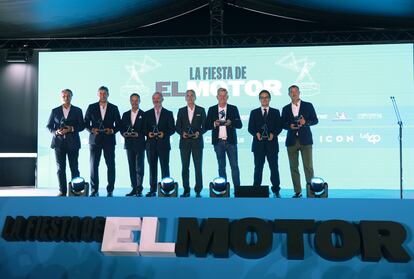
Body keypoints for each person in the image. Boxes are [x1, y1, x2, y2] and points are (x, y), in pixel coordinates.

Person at [281, 85, 318, 198]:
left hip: (305, 140)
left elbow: (315, 120)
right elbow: (282, 124)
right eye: (291, 92)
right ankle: (297, 192)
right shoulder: (286, 108)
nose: (294, 94)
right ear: (288, 94)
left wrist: (305, 122)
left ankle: (311, 191)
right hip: (291, 141)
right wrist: (289, 126)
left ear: (299, 92)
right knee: (293, 167)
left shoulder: (308, 105)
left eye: (295, 91)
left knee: (308, 167)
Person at [84, 86, 121, 197]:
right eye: (100, 93)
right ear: (98, 94)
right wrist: (91, 129)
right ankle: (94, 190)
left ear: (108, 94)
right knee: (94, 166)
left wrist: (112, 130)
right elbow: (85, 123)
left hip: (109, 140)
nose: (103, 95)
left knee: (110, 165)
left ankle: (110, 189)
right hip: (95, 140)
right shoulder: (91, 107)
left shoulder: (114, 108)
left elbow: (119, 124)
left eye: (105, 93)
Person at [46, 89, 85, 196]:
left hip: (73, 143)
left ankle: (76, 191)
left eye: (68, 96)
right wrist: (56, 131)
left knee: (74, 168)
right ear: (61, 97)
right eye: (64, 96)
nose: (66, 98)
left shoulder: (78, 110)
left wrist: (71, 128)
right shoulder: (55, 110)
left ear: (71, 97)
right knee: (60, 169)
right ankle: (62, 191)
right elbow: (49, 126)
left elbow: (82, 126)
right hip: (59, 144)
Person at [205, 87, 242, 189]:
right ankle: (223, 189)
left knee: (234, 166)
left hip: (231, 142)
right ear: (217, 97)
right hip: (218, 143)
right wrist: (214, 123)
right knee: (221, 167)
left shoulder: (233, 108)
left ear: (227, 97)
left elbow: (239, 125)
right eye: (220, 95)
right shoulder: (212, 109)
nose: (222, 97)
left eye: (224, 95)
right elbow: (206, 126)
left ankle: (237, 189)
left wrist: (231, 123)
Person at [248, 89, 283, 197]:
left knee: (274, 168)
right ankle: (256, 189)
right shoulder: (254, 112)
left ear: (270, 99)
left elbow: (279, 127)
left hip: (272, 145)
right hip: (258, 145)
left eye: (266, 97)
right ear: (259, 99)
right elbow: (250, 128)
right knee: (258, 168)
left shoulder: (276, 112)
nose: (264, 99)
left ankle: (276, 189)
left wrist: (274, 134)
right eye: (262, 97)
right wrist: (256, 134)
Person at [175, 89, 206, 198]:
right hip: (184, 143)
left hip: (197, 143)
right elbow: (177, 126)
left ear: (195, 97)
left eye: (192, 95)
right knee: (185, 167)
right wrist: (182, 133)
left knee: (198, 167)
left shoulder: (201, 110)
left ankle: (198, 190)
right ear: (185, 98)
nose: (189, 97)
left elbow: (205, 126)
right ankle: (186, 189)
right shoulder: (181, 110)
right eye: (187, 96)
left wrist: (199, 132)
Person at [144, 92, 175, 197]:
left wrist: (164, 134)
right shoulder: (147, 113)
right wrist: (148, 133)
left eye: (158, 98)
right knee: (152, 167)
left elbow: (172, 129)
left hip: (164, 145)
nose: (156, 100)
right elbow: (143, 129)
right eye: (154, 98)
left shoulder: (168, 113)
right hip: (150, 145)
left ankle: (166, 189)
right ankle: (152, 189)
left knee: (165, 167)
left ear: (162, 99)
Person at [121, 93, 146, 197]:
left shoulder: (144, 114)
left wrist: (138, 134)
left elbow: (146, 129)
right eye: (133, 100)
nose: (134, 102)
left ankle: (139, 189)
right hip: (129, 144)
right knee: (131, 166)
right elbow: (121, 128)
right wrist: (124, 134)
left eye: (137, 100)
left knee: (139, 167)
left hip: (140, 143)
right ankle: (134, 188)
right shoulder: (125, 114)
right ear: (130, 101)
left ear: (139, 101)